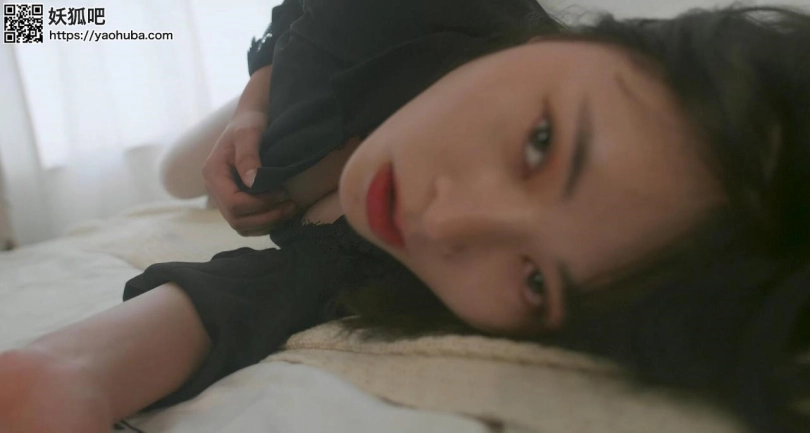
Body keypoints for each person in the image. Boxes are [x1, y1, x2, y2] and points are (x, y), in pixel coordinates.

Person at [1, 3, 809, 433]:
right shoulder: (420, 10)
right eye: (541, 142)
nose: (445, 222)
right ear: (588, 41)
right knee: (178, 172)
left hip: (289, 159)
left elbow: (241, 299)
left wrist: (67, 373)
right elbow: (297, 15)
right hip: (294, 71)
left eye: (534, 279)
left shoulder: (388, 272)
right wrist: (251, 108)